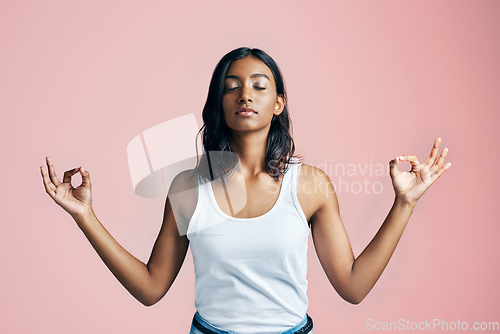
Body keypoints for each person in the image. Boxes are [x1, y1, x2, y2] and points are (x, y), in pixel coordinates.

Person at [40, 47, 451, 334]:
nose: (245, 94)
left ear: (278, 103)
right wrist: (85, 216)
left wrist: (404, 204)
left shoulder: (310, 186)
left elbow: (353, 287)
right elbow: (151, 288)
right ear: (219, 103)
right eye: (231, 86)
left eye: (259, 84)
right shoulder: (188, 188)